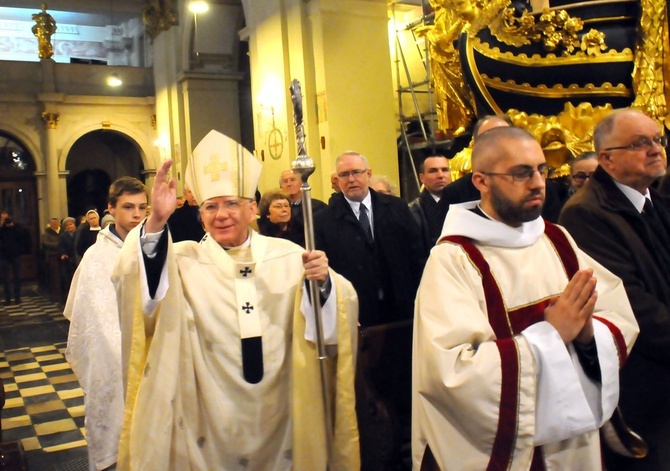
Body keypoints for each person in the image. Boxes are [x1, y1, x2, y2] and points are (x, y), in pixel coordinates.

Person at [112, 130, 360, 470]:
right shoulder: (184, 260)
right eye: (210, 206)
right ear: (201, 214)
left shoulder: (288, 255)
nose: (221, 214)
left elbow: (336, 311)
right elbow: (135, 279)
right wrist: (156, 219)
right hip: (209, 417)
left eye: (231, 203)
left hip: (283, 409)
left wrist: (324, 283)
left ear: (251, 208)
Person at [413, 126, 639, 470]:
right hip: (514, 452)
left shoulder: (556, 239)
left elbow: (617, 315)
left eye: (541, 170)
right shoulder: (454, 260)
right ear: (481, 181)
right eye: (520, 173)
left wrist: (589, 333)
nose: (537, 183)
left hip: (575, 443)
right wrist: (551, 337)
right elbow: (450, 373)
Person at [559, 108, 670, 470]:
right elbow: (629, 303)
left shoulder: (656, 201)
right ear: (606, 159)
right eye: (640, 143)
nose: (655, 149)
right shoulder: (586, 213)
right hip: (644, 387)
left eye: (657, 140)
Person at [64, 177, 148, 471]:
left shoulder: (154, 248)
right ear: (110, 208)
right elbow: (93, 318)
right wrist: (123, 356)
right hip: (114, 360)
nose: (136, 214)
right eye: (128, 207)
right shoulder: (96, 257)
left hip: (152, 356)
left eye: (142, 207)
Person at [315, 151, 426, 327]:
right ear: (337, 180)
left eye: (356, 172)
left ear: (368, 174)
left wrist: (421, 300)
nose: (351, 179)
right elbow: (325, 272)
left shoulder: (397, 207)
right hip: (356, 312)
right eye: (344, 174)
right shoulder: (323, 220)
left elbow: (416, 256)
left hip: (401, 308)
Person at [410, 155, 451, 248]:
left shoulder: (462, 204)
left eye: (444, 170)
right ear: (422, 178)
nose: (440, 175)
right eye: (433, 171)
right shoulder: (413, 211)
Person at [0, 212, 31, 305]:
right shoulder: (1, 228)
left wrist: (13, 227)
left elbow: (23, 236)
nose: (6, 221)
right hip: (3, 255)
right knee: (5, 278)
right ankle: (7, 298)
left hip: (16, 254)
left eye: (7, 219)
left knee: (17, 276)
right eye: (3, 219)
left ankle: (17, 297)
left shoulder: (17, 227)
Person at [58, 217, 76, 303]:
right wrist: (63, 253)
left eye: (71, 224)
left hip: (76, 258)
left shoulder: (78, 233)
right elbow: (61, 246)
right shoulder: (63, 236)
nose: (69, 226)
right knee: (67, 278)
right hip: (68, 259)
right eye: (67, 225)